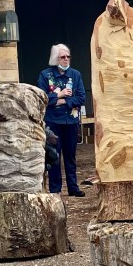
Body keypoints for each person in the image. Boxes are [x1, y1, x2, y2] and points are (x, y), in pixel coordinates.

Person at [37, 43, 86, 197]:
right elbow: (42, 98)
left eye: (68, 57)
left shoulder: (75, 75)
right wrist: (59, 95)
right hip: (53, 122)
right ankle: (55, 189)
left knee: (70, 155)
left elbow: (81, 97)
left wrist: (63, 101)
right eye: (62, 57)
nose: (66, 60)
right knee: (53, 156)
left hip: (70, 121)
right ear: (55, 59)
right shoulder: (46, 75)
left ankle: (73, 187)